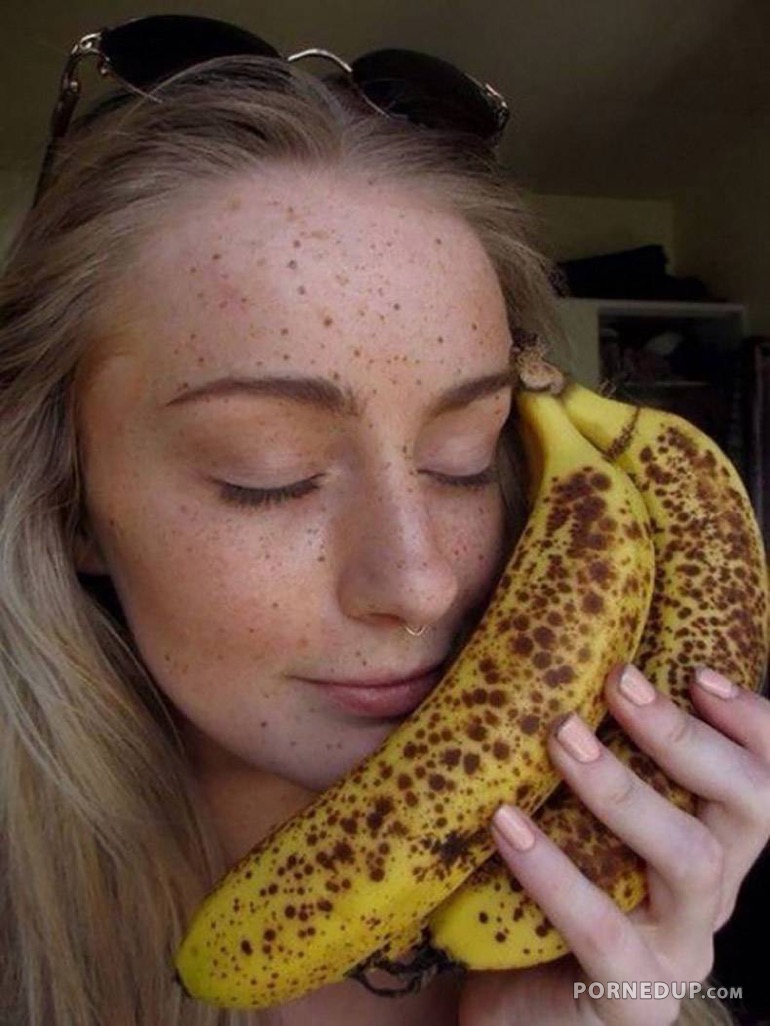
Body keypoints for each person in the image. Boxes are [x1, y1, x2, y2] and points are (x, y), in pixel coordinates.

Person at [1, 15, 768, 1026]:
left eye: (463, 459)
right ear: (69, 501)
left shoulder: (674, 930)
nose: (419, 583)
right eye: (267, 475)